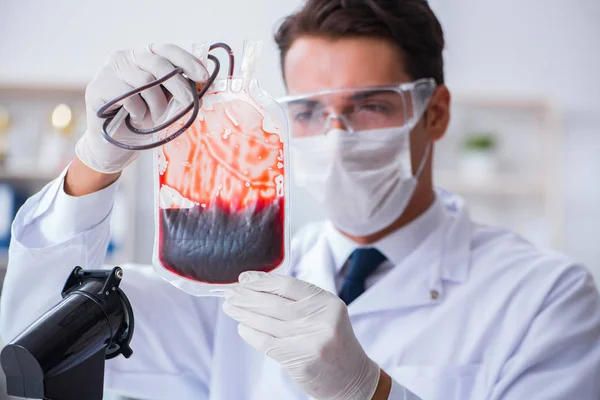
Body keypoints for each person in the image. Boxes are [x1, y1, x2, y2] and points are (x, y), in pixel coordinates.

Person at [1, 0, 600, 399]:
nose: (336, 137)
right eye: (309, 111)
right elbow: (30, 346)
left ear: (434, 112)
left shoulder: (548, 299)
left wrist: (372, 391)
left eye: (369, 104)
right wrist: (94, 164)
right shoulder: (226, 287)